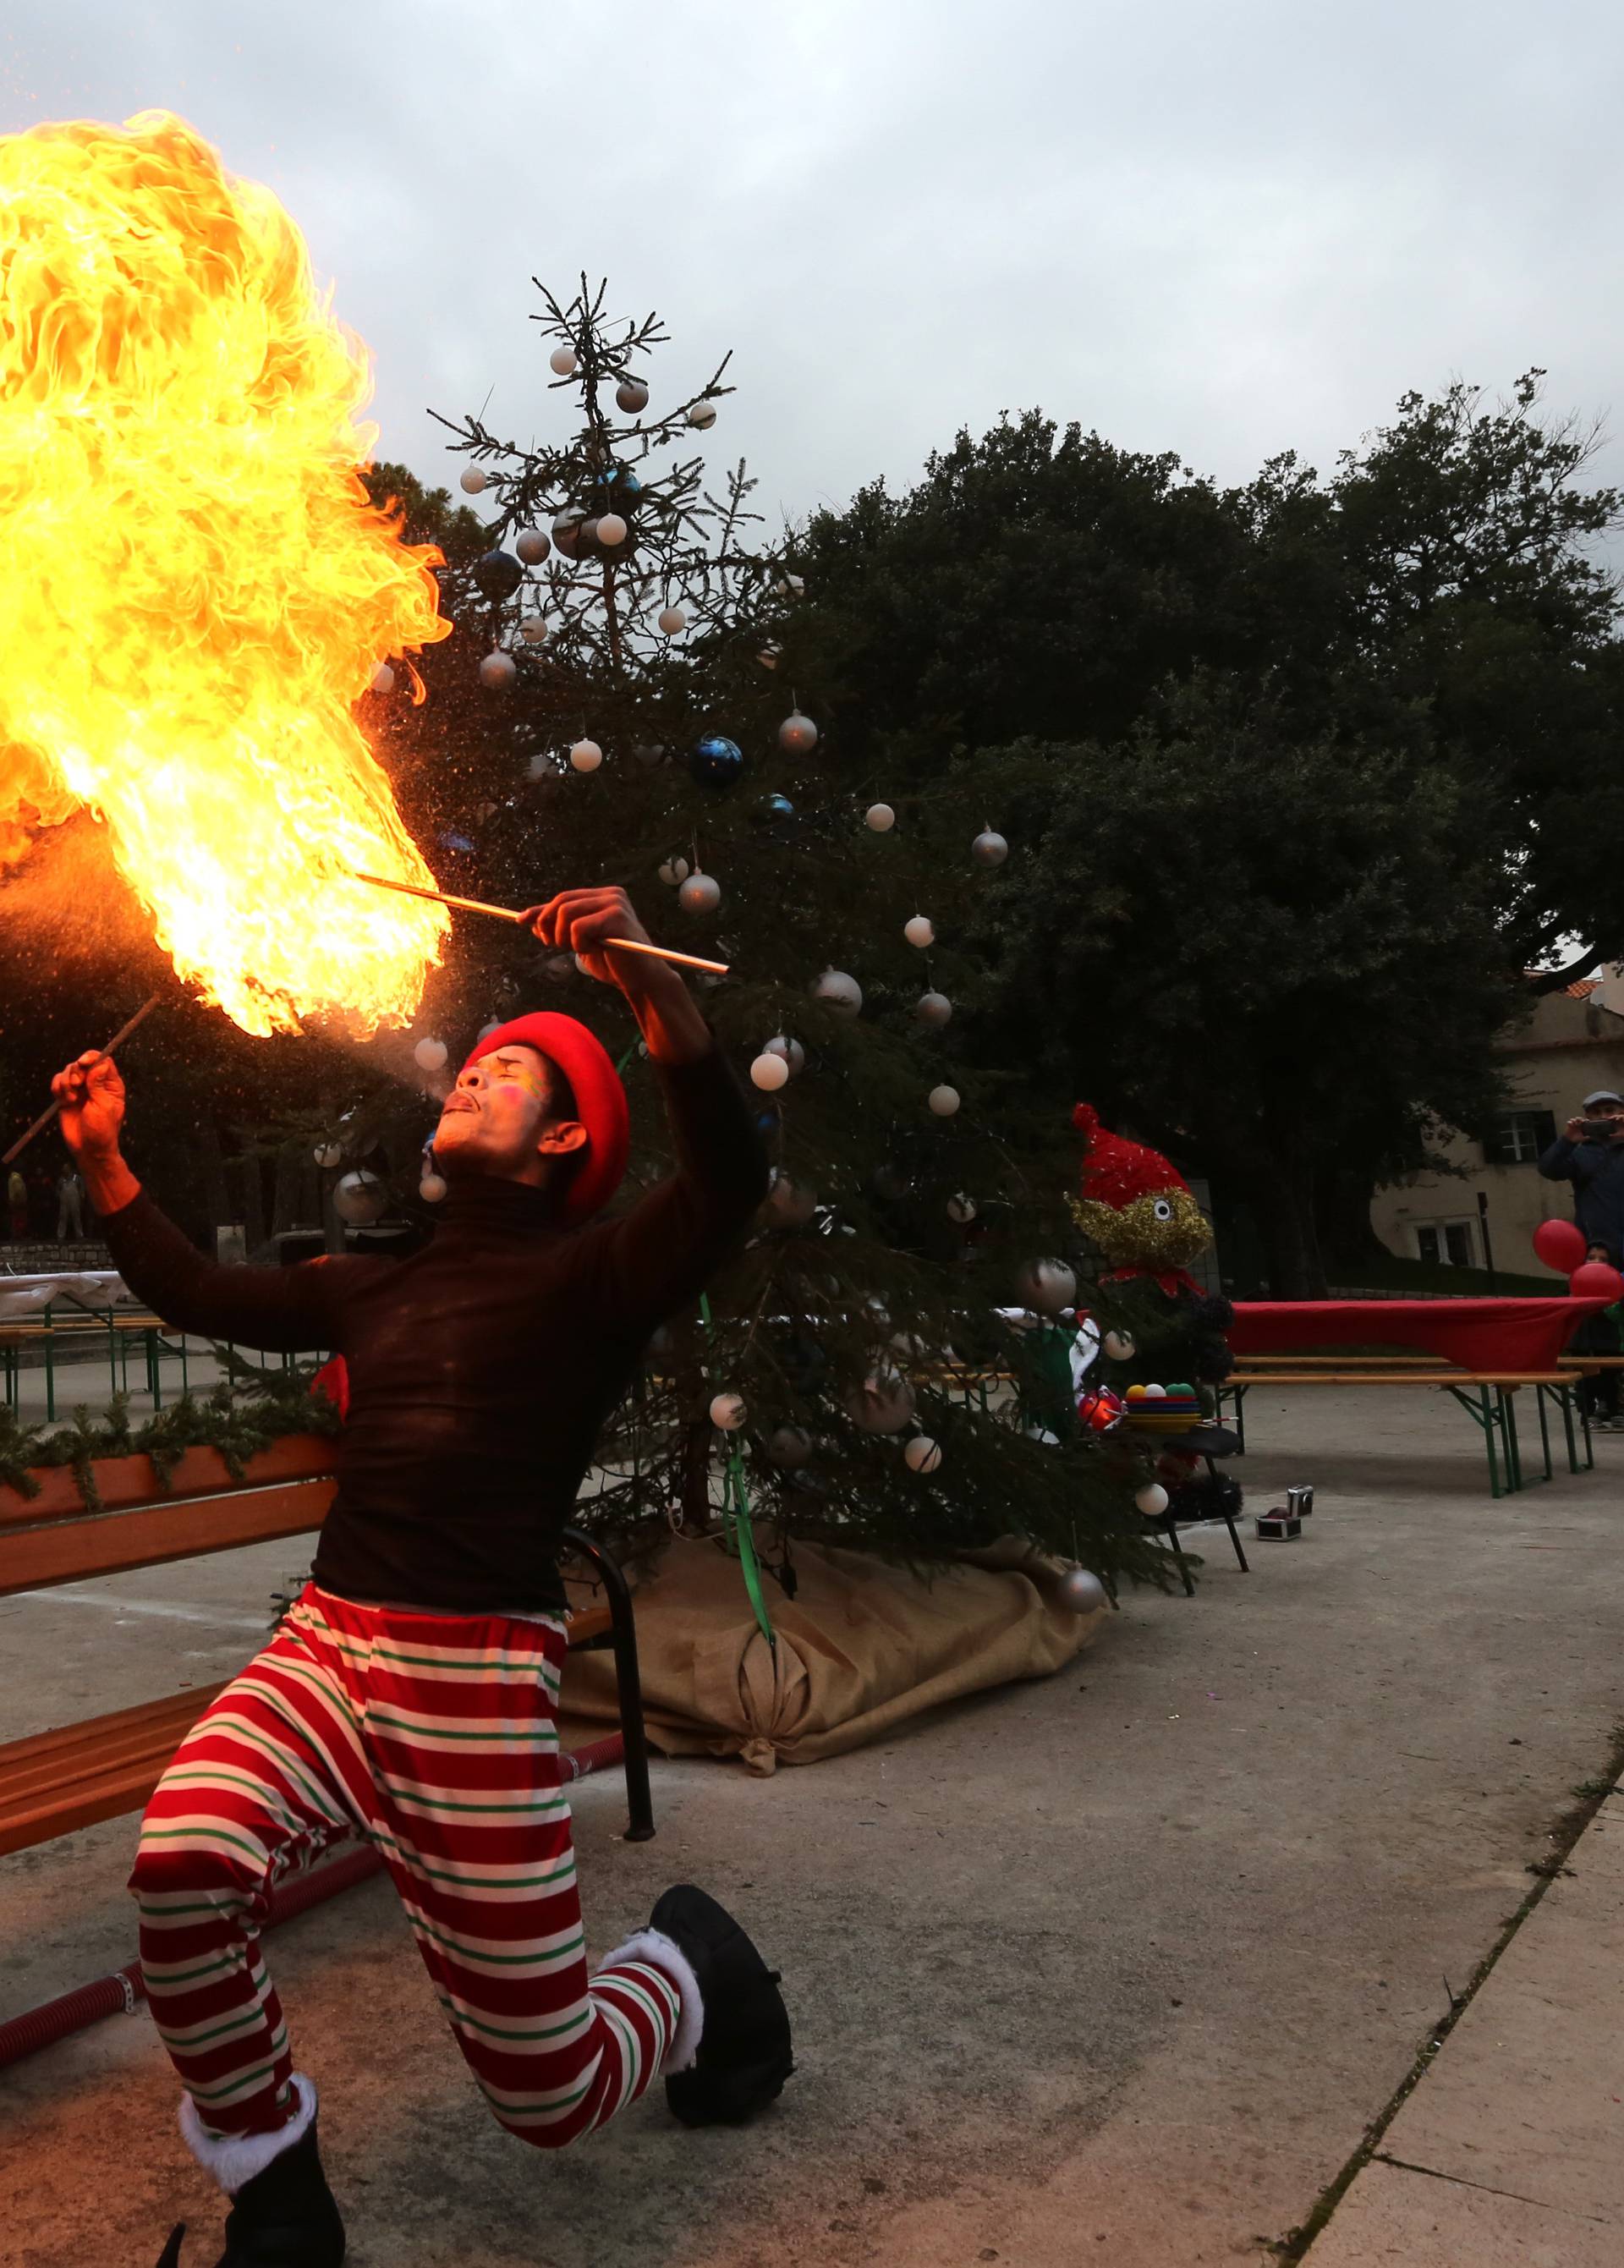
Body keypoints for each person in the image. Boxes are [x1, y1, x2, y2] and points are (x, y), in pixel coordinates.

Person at [52, 887, 792, 2268]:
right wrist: (105, 1164)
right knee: (181, 1865)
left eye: (512, 1072)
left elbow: (726, 1186)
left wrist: (646, 984)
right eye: (475, 1060)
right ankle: (278, 2195)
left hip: (473, 1686)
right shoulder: (372, 1281)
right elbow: (200, 1292)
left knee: (551, 2098)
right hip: (327, 1649)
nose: (474, 1072)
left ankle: (692, 1967)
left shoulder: (596, 1273)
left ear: (565, 1133)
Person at [1537, 1089, 1624, 1254]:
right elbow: (1548, 1170)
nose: (1603, 1116)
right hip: (1599, 1248)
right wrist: (1567, 1141)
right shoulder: (1580, 1153)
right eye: (1596, 1112)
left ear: (1622, 1112)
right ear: (1588, 1117)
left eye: (1610, 1110)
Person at [1569, 1240, 1624, 1430]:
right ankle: (1588, 1414)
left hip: (1609, 1338)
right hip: (1583, 1339)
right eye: (1591, 1258)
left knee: (1611, 1375)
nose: (1597, 1262)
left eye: (1603, 1259)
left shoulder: (1617, 1286)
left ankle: (1615, 1410)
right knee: (1586, 1379)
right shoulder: (1576, 1283)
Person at [55, 1161, 85, 1241]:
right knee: (63, 1219)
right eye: (63, 1168)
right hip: (64, 1203)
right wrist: (59, 1196)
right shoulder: (61, 1180)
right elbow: (57, 1190)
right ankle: (61, 1236)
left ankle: (79, 1235)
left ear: (70, 1169)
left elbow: (81, 1189)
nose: (64, 1170)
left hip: (75, 1202)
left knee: (77, 1219)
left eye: (66, 1168)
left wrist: (82, 1198)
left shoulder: (77, 1178)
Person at [5, 1164, 26, 1241]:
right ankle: (18, 1235)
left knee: (15, 1219)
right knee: (19, 1219)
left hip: (13, 1201)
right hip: (18, 1202)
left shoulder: (11, 1178)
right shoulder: (17, 1179)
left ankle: (15, 1235)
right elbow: (19, 1191)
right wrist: (21, 1200)